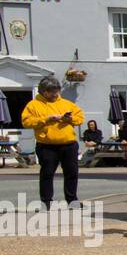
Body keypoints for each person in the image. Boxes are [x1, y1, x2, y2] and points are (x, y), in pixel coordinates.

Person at [22, 76, 84, 209]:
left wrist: (69, 119)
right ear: (44, 92)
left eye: (57, 91)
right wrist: (47, 119)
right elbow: (26, 122)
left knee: (72, 173)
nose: (56, 94)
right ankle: (46, 202)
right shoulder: (33, 105)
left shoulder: (67, 103)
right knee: (47, 174)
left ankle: (72, 200)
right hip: (47, 146)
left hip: (69, 144)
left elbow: (80, 118)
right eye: (52, 92)